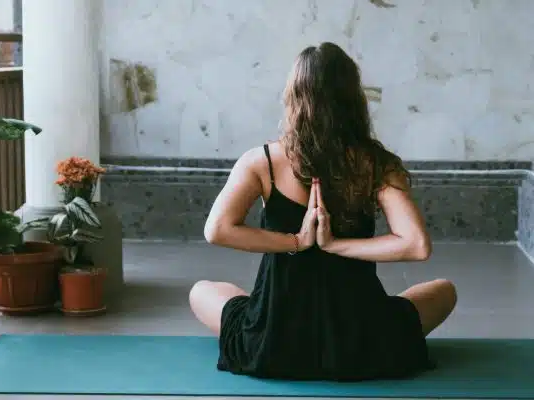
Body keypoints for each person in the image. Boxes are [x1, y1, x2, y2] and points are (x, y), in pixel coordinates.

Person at [189, 43, 457, 381]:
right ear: (353, 99)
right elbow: (416, 245)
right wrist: (336, 245)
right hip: (362, 345)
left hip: (274, 342)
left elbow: (217, 230)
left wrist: (297, 242)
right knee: (444, 290)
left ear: (293, 97)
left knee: (201, 290)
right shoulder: (377, 164)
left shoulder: (261, 162)